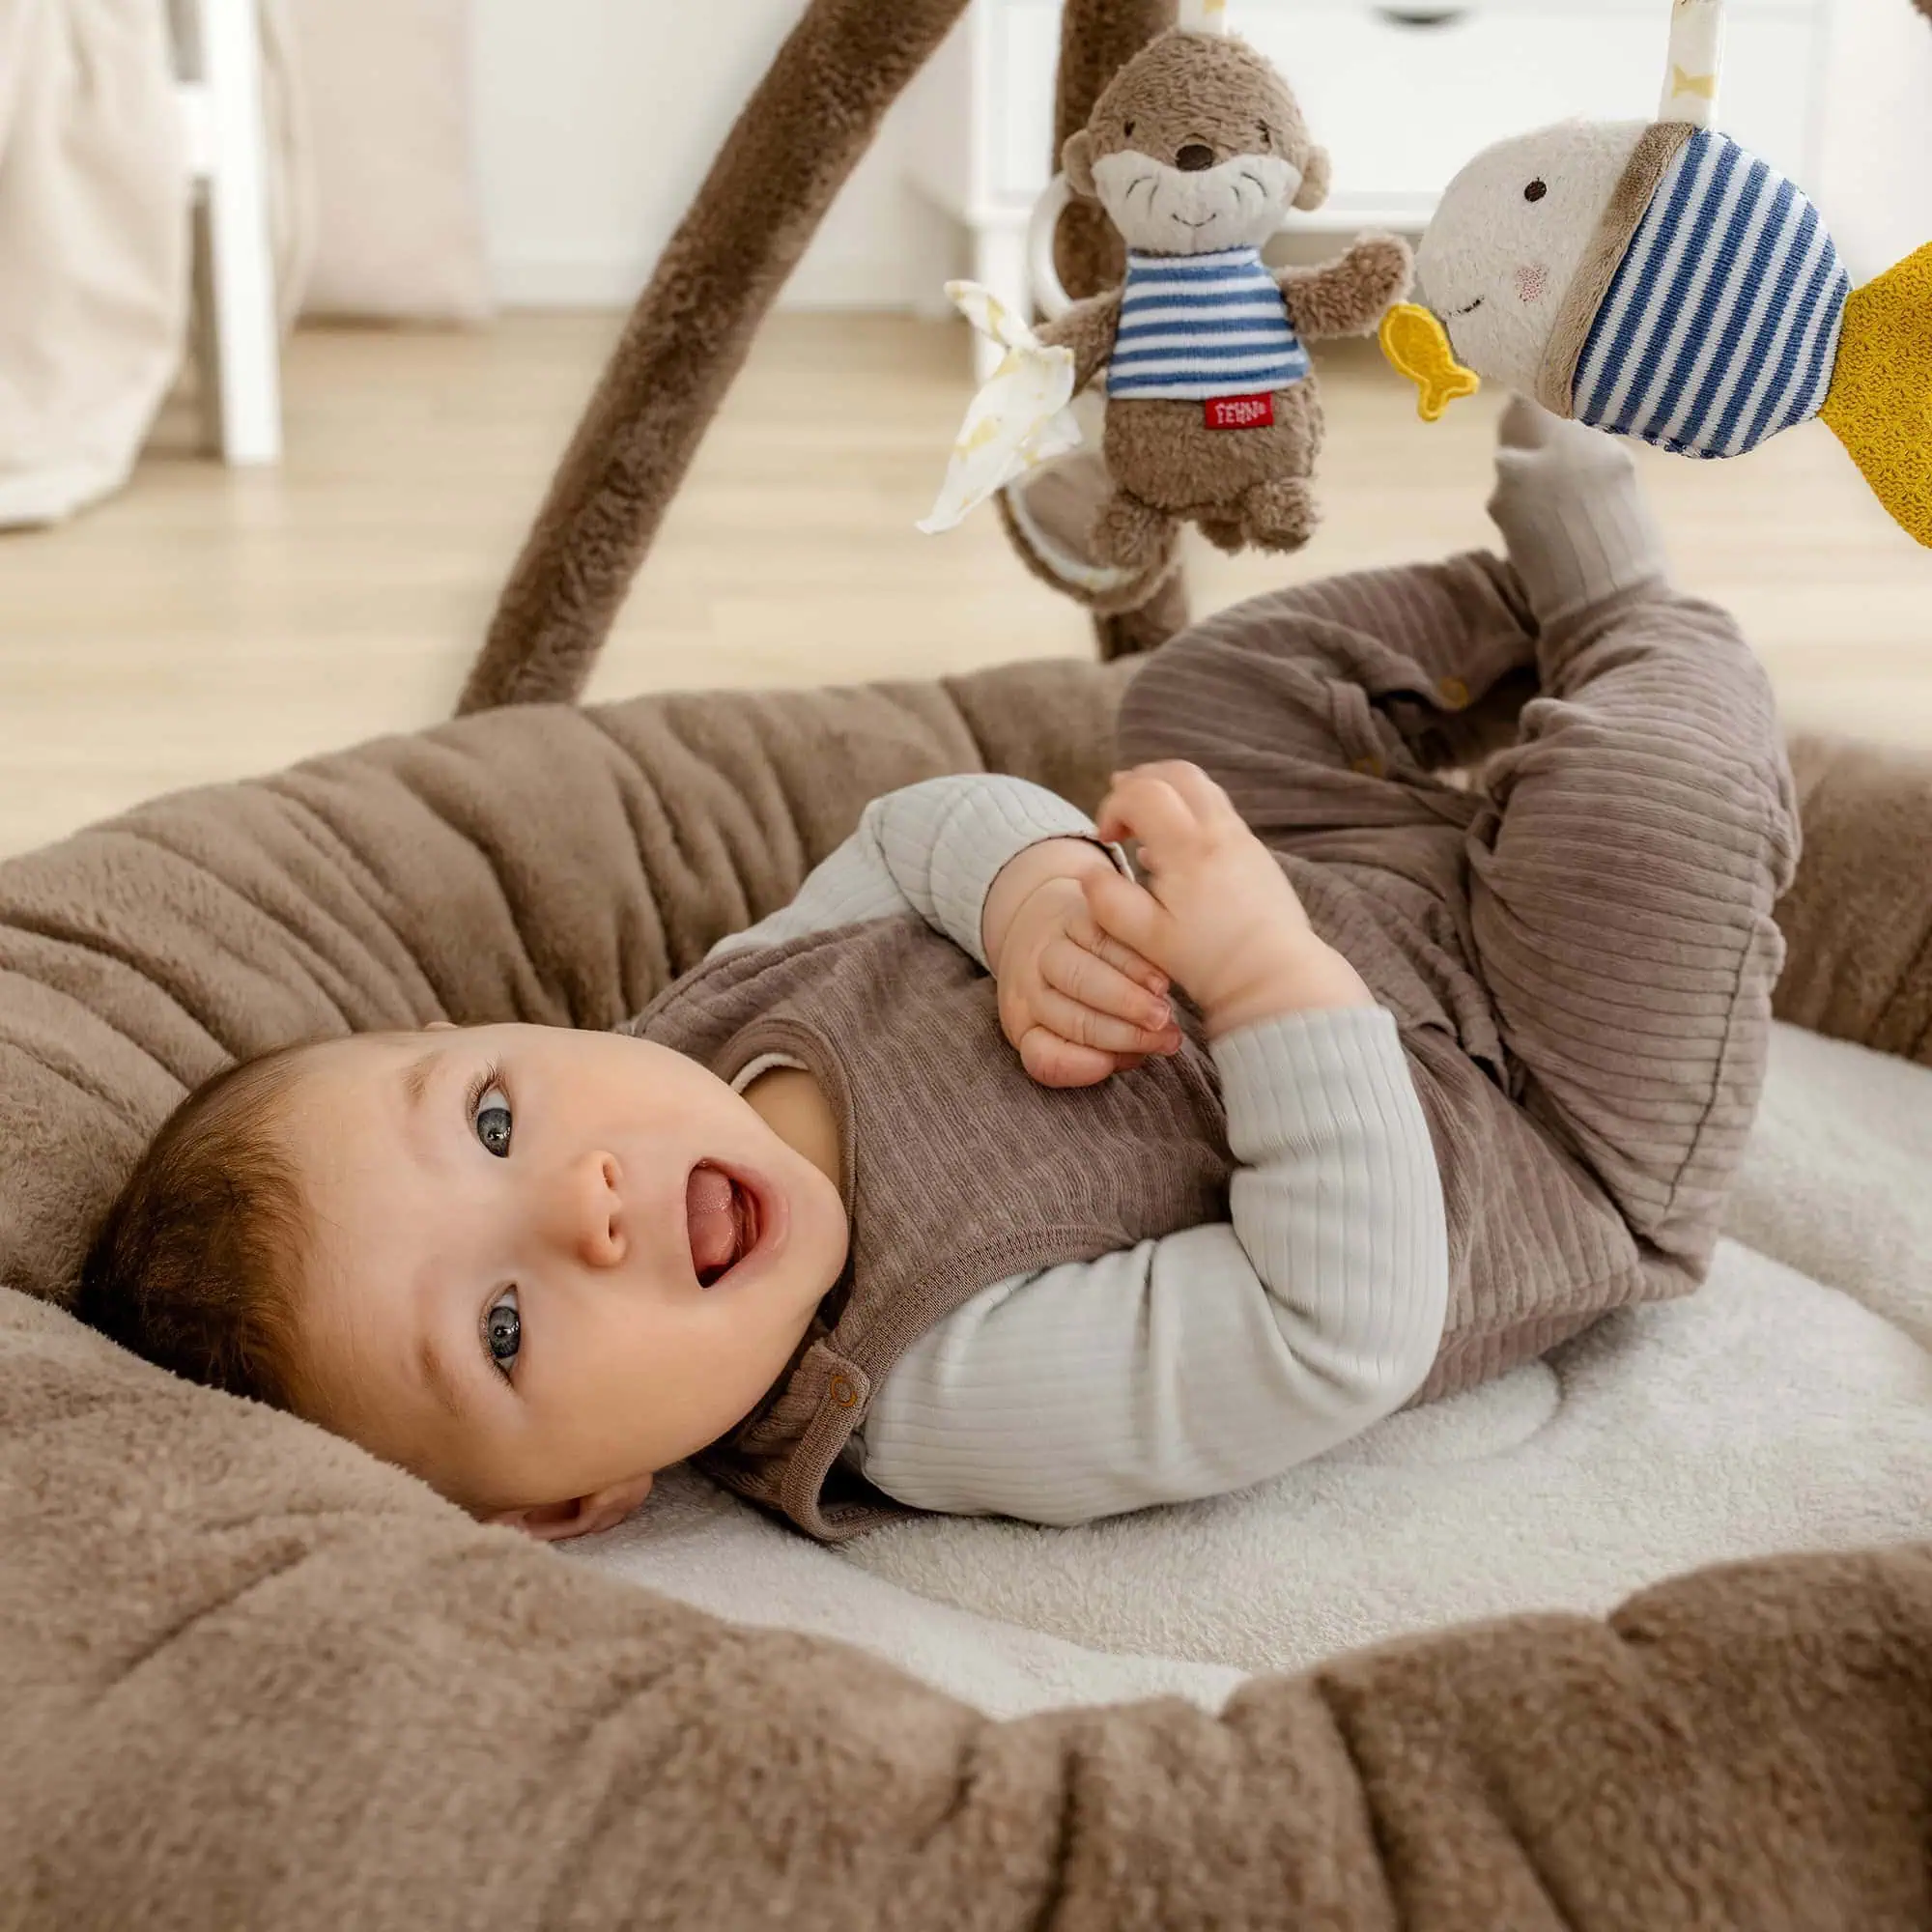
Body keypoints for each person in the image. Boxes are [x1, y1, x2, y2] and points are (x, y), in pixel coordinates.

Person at [78, 402, 1796, 1544]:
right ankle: (1628, 614)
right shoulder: (932, 1386)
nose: (587, 1203)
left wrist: (1040, 891)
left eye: (500, 1115)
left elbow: (912, 833)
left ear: (510, 1027)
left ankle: (1514, 610)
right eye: (507, 1325)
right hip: (1533, 1102)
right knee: (1660, 813)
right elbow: (1329, 1328)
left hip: (1333, 882)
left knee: (1194, 700)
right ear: (573, 1506)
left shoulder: (710, 1021)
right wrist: (1265, 982)